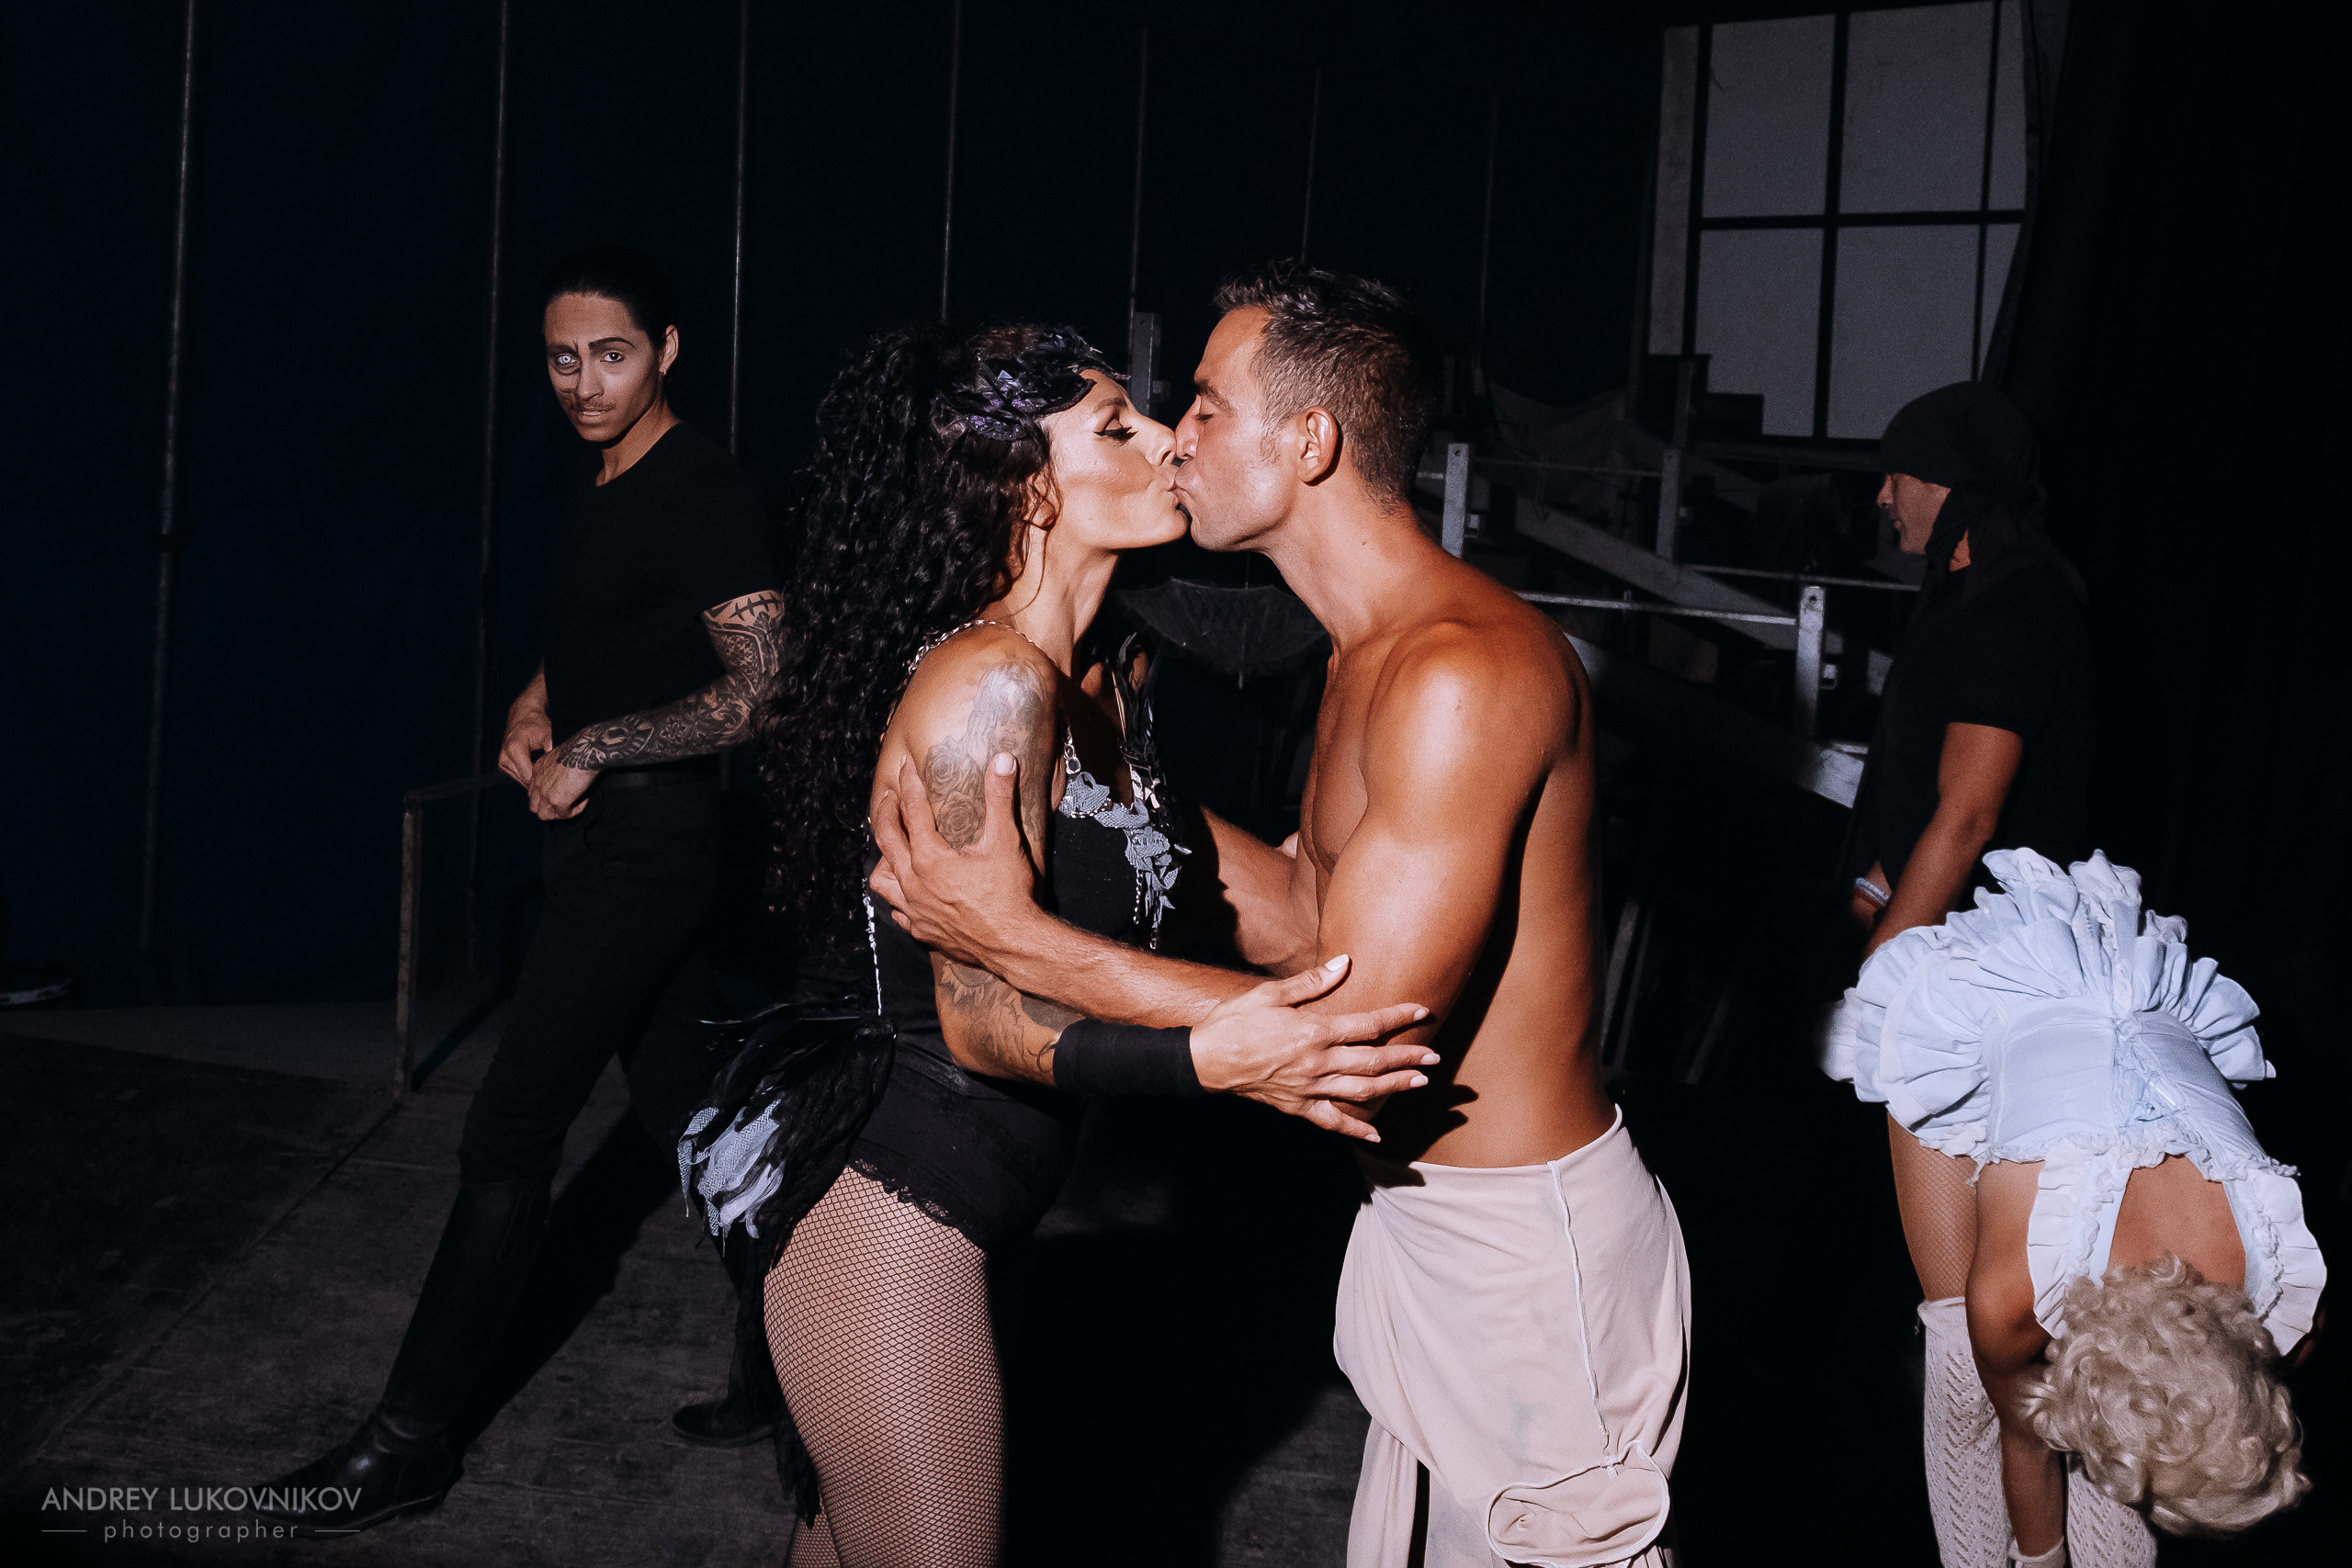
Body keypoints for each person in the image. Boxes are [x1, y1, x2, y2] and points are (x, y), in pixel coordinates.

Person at [869, 262, 1692, 1568]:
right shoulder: (1367, 655)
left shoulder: (1456, 673)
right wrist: (1117, 805)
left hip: (1528, 1257)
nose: (1175, 436)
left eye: (1202, 404)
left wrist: (1009, 929)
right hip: (1429, 1228)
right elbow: (1319, 911)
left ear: (1309, 442)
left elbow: (1358, 1017)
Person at [676, 321, 1439, 1565]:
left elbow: (1293, 914)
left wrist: (1377, 664)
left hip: (987, 1195)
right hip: (886, 1197)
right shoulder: (988, 683)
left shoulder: (1107, 686)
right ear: (1030, 484)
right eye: (1115, 428)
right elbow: (983, 1017)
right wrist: (1219, 1051)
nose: (1163, 442)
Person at [261, 245, 787, 1531]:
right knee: (689, 1111)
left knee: (509, 1132)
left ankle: (407, 1442)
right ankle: (798, 1355)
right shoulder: (604, 480)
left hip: (652, 845)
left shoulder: (704, 489)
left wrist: (596, 746)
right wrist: (538, 702)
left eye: (611, 352)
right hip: (601, 837)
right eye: (562, 356)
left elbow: (766, 688)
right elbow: (599, 637)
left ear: (667, 350)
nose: (584, 380)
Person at [1823, 848, 2319, 1568]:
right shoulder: (2012, 1291)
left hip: (2124, 1013)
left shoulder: (2291, 1307)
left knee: (2144, 1453)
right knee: (1967, 1371)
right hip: (1984, 1012)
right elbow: (2024, 1438)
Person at [1841, 381, 2095, 964]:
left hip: (1988, 954)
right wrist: (1866, 900)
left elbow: (1966, 820)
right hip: (1942, 936)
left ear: (1944, 480)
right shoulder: (1959, 602)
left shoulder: (2020, 609)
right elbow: (1917, 796)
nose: (1882, 497)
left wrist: (1873, 984)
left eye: (1895, 477)